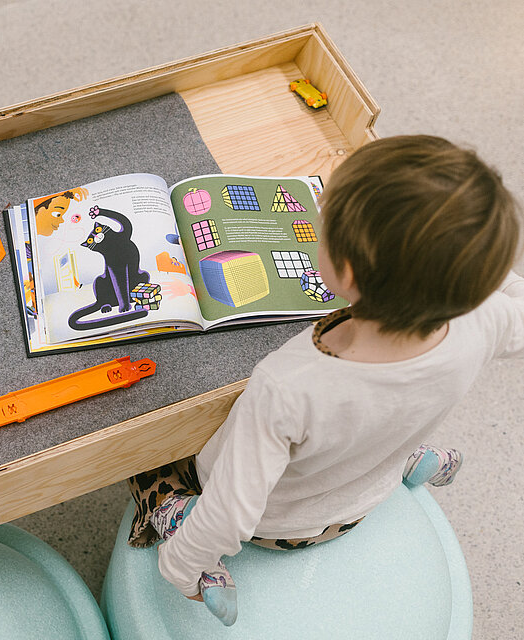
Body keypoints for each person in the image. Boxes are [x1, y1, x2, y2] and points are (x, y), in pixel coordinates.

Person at [127, 135, 524, 626]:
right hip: (366, 492)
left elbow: (231, 511)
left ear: (349, 271)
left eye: (323, 216)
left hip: (283, 526)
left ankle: (185, 536)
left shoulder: (288, 387)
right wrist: (463, 252)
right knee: (383, 428)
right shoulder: (488, 319)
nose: (314, 212)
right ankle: (413, 463)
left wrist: (183, 568)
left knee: (148, 463)